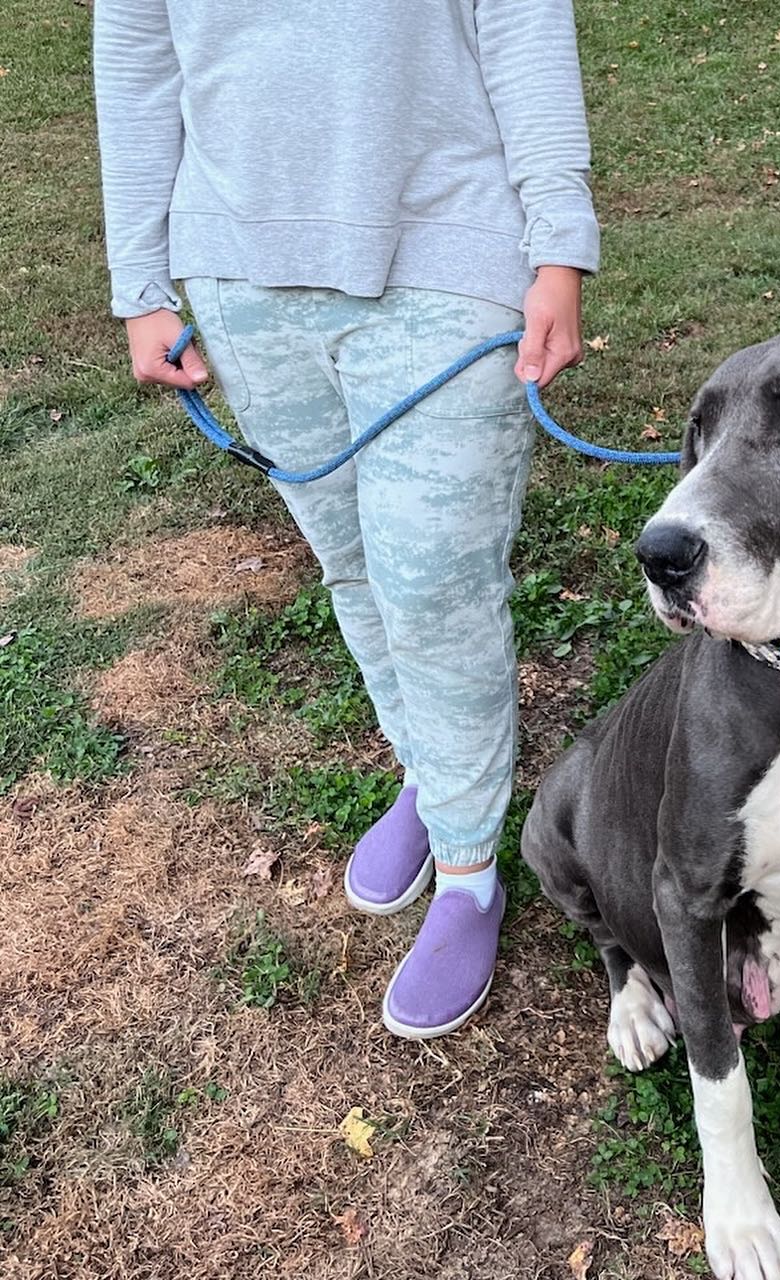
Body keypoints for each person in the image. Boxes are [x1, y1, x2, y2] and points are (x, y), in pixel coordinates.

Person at [93, 0, 599, 1039]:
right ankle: (428, 770)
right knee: (353, 564)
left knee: (433, 587)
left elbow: (521, 26)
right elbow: (137, 57)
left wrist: (559, 244)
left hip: (449, 252)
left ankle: (464, 875)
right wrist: (140, 281)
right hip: (240, 276)